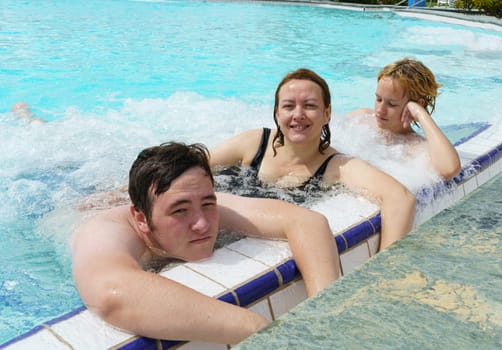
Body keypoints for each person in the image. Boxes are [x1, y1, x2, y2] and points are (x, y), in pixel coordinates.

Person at [71, 141, 340, 345]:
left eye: (208, 203)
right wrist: (260, 331)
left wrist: (323, 318)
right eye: (180, 211)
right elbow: (111, 293)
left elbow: (306, 222)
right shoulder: (106, 231)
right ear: (141, 219)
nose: (202, 224)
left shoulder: (194, 199)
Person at [210, 68, 416, 251]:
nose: (298, 115)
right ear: (277, 113)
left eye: (309, 106)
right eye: (289, 106)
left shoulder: (337, 166)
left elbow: (401, 198)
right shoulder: (255, 143)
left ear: (327, 114)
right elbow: (191, 165)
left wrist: (382, 266)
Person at [346, 58, 461, 180]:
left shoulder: (415, 148)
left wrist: (420, 113)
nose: (380, 110)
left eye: (392, 104)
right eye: (379, 99)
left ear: (418, 104)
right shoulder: (361, 118)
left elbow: (450, 169)